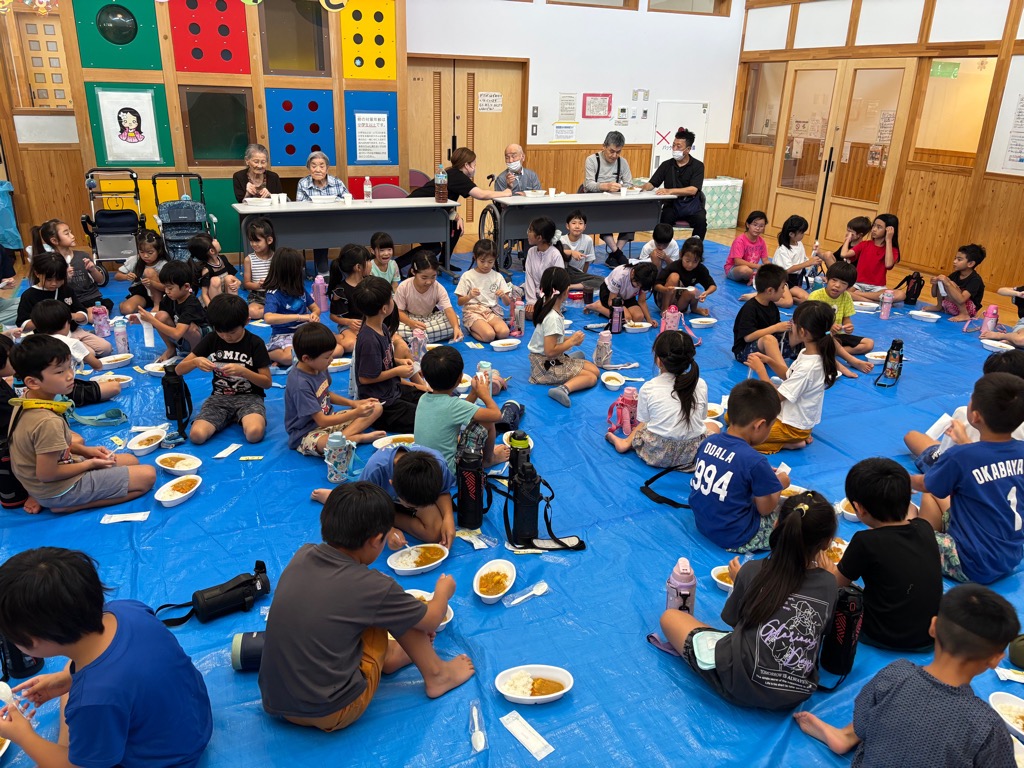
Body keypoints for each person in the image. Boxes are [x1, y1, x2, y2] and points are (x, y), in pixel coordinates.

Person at [259, 484, 472, 731]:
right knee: (395, 606)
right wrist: (442, 592)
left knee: (379, 603)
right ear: (376, 540)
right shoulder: (375, 588)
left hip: (277, 703)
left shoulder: (303, 554)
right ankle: (437, 675)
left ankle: (390, 655)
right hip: (332, 710)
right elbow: (432, 620)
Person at [0, 547, 213, 766]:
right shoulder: (126, 609)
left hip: (169, 759)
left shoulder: (93, 699)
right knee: (70, 679)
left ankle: (71, 751)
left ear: (32, 641)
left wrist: (23, 735)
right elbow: (129, 672)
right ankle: (73, 747)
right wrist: (67, 680)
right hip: (195, 722)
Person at [794, 584, 1020, 767]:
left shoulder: (895, 674)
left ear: (933, 627)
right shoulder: (988, 727)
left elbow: (863, 725)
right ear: (995, 659)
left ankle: (845, 736)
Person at [660, 492, 837, 710]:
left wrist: (739, 581)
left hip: (738, 685)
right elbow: (821, 631)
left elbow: (734, 622)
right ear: (828, 543)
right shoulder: (830, 584)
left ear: (777, 525)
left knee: (670, 618)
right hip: (794, 697)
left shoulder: (752, 572)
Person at [7, 335, 155, 513]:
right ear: (33, 382)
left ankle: (59, 499)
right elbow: (47, 474)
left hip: (43, 481)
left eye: (69, 366)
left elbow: (45, 447)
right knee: (147, 476)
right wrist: (90, 464)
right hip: (56, 489)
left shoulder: (25, 400)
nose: (70, 375)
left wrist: (87, 452)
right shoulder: (47, 421)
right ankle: (67, 506)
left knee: (131, 460)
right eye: (59, 372)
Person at [912, 371, 1024, 584]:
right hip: (1010, 556)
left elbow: (925, 483)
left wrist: (901, 478)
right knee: (933, 497)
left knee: (899, 525)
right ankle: (930, 540)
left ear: (975, 416)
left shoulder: (961, 456)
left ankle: (921, 549)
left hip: (971, 563)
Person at [826, 458, 942, 651]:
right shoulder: (924, 527)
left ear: (860, 509)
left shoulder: (865, 541)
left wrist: (821, 562)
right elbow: (912, 513)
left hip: (882, 635)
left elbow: (834, 585)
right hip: (929, 636)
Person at [688, 379, 788, 552]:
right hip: (735, 535)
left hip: (703, 523)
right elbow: (765, 509)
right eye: (771, 426)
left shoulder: (709, 441)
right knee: (792, 516)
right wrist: (780, 484)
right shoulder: (755, 461)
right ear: (759, 425)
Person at [606, 330, 718, 467]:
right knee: (714, 426)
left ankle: (624, 443)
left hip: (657, 453)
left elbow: (644, 421)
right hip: (692, 455)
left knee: (646, 424)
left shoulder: (649, 388)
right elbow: (701, 416)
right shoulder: (700, 383)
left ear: (658, 360)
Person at [175, 294, 272, 445]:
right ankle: (226, 418)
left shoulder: (255, 343)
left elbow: (267, 382)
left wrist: (244, 372)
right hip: (219, 399)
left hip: (250, 398)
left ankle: (238, 418)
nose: (226, 337)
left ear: (246, 322)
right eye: (220, 332)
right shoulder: (212, 339)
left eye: (232, 332)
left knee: (254, 434)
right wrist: (195, 362)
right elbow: (179, 370)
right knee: (197, 436)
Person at [905, 349, 1024, 472]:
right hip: (997, 475)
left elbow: (945, 462)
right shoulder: (1017, 422)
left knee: (912, 436)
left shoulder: (965, 414)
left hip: (958, 472)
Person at [744, 301, 838, 454]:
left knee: (742, 438)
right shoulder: (808, 353)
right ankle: (793, 439)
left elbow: (774, 398)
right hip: (786, 416)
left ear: (803, 332)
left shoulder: (810, 366)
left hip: (791, 426)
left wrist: (761, 370)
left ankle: (792, 441)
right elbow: (789, 375)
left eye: (793, 323)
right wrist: (769, 361)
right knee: (734, 418)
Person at [285, 322, 384, 455]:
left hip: (330, 421)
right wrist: (356, 413)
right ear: (306, 358)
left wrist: (353, 403)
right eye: (327, 357)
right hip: (306, 433)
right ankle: (355, 438)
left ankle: (341, 439)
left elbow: (326, 393)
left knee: (376, 407)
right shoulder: (300, 384)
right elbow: (321, 420)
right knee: (324, 444)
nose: (331, 359)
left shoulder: (319, 367)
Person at [406, 147, 512, 271]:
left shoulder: (451, 173)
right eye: (474, 164)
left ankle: (444, 262)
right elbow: (481, 194)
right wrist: (506, 192)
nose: (475, 167)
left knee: (455, 227)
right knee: (434, 248)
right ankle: (398, 264)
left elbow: (445, 201)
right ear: (467, 165)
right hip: (416, 212)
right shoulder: (457, 176)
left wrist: (455, 216)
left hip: (426, 211)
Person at [414, 345, 508, 472]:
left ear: (424, 376)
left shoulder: (424, 398)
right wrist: (484, 394)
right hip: (448, 473)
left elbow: (459, 412)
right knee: (487, 421)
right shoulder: (453, 405)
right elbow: (496, 415)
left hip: (425, 471)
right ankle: (489, 459)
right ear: (460, 378)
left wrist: (475, 392)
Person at [354, 276, 426, 433]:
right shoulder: (369, 339)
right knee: (428, 418)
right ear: (384, 309)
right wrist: (397, 371)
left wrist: (398, 361)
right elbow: (365, 378)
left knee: (433, 400)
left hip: (393, 390)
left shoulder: (382, 328)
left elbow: (381, 360)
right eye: (391, 298)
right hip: (384, 405)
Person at [17, 252, 111, 357]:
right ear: (37, 273)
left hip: (73, 331)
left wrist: (71, 316)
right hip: (50, 337)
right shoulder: (29, 295)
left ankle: (78, 349)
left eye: (59, 279)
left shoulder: (66, 290)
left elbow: (82, 313)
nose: (54, 283)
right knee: (89, 354)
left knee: (106, 348)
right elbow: (23, 325)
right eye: (49, 279)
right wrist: (46, 319)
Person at [528, 266, 598, 408]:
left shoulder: (547, 306)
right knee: (591, 377)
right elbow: (550, 351)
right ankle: (562, 389)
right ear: (566, 291)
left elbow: (550, 339)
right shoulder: (552, 317)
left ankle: (569, 359)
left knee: (595, 370)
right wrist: (572, 341)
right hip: (546, 365)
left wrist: (567, 340)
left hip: (546, 358)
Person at [31, 299, 121, 407]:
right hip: (64, 392)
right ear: (67, 323)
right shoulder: (71, 343)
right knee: (114, 387)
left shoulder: (34, 343)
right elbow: (97, 365)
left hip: (37, 391)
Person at [136, 260, 210, 362]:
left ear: (186, 287)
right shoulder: (169, 299)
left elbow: (177, 334)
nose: (166, 291)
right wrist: (141, 320)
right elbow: (159, 323)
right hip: (183, 339)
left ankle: (195, 354)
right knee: (160, 316)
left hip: (202, 341)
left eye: (170, 288)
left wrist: (152, 320)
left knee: (189, 328)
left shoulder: (191, 303)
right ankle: (171, 349)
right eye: (165, 287)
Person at [642, 126, 707, 241]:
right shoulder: (666, 165)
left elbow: (693, 190)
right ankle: (663, 247)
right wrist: (637, 188)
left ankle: (694, 249)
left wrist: (669, 190)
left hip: (692, 206)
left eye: (678, 146)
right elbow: (652, 184)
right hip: (672, 205)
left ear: (688, 149)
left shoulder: (698, 166)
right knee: (665, 220)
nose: (674, 148)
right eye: (673, 145)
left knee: (701, 220)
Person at [31, 218, 111, 311]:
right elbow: (49, 288)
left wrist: (93, 270)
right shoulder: (52, 262)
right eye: (66, 233)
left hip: (91, 297)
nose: (72, 236)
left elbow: (100, 280)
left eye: (71, 232)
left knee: (105, 307)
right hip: (68, 301)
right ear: (54, 240)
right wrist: (66, 278)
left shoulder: (82, 256)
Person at [263, 247, 322, 367]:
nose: (302, 270)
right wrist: (300, 317)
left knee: (336, 349)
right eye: (300, 268)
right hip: (283, 335)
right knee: (289, 357)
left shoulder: (300, 290)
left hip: (304, 333)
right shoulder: (274, 293)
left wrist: (314, 315)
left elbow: (315, 308)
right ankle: (264, 353)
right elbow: (268, 317)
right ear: (290, 272)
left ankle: (286, 360)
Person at [583, 131, 634, 267]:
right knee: (604, 217)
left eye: (618, 152)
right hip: (595, 202)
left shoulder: (622, 162)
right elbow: (588, 185)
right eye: (611, 151)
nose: (614, 155)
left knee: (633, 216)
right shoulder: (592, 160)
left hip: (615, 200)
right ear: (604, 146)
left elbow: (629, 184)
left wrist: (620, 187)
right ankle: (618, 255)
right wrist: (606, 186)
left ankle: (614, 254)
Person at [731, 263, 790, 377]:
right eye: (782, 288)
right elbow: (748, 337)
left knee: (797, 331)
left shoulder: (772, 306)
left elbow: (778, 331)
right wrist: (776, 327)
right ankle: (786, 374)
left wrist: (788, 327)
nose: (783, 292)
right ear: (770, 290)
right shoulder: (750, 308)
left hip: (763, 346)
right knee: (769, 339)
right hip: (744, 352)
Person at [806, 260, 875, 357]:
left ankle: (832, 351)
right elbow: (810, 321)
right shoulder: (816, 295)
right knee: (818, 342)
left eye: (843, 283)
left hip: (837, 336)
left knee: (869, 344)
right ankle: (834, 350)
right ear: (827, 279)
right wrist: (829, 326)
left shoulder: (846, 296)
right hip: (819, 335)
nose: (837, 285)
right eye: (834, 280)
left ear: (848, 287)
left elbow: (846, 319)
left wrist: (848, 326)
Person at [296, 150, 348, 276]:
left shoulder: (337, 182)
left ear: (327, 168)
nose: (317, 169)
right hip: (313, 222)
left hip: (336, 220)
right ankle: (323, 270)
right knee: (320, 229)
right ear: (309, 168)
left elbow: (348, 200)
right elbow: (300, 205)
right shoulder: (303, 183)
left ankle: (347, 266)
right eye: (313, 166)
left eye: (321, 166)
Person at [395, 252, 463, 344]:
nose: (429, 282)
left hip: (430, 318)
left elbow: (449, 309)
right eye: (424, 277)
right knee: (394, 327)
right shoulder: (404, 287)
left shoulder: (438, 288)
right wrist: (410, 323)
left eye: (433, 277)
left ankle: (417, 337)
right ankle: (424, 336)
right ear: (413, 272)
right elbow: (398, 312)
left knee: (456, 321)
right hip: (409, 318)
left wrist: (455, 328)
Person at [455, 239, 512, 342]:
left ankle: (484, 327)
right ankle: (471, 329)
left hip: (491, 311)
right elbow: (459, 302)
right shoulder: (467, 276)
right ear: (475, 257)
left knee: (504, 332)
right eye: (482, 261)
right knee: (489, 335)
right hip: (472, 312)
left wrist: (503, 296)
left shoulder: (497, 276)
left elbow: (508, 303)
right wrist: (469, 296)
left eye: (490, 262)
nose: (486, 265)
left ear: (495, 260)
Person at [919, 243, 986, 322]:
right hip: (951, 306)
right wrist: (935, 283)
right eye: (955, 258)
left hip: (968, 310)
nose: (954, 261)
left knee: (950, 283)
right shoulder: (955, 274)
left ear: (970, 264)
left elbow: (961, 299)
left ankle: (964, 314)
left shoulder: (975, 280)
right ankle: (939, 306)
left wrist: (947, 283)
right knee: (945, 281)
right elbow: (934, 294)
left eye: (959, 259)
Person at [844, 213, 901, 302]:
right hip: (858, 285)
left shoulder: (892, 249)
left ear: (888, 230)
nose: (874, 229)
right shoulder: (864, 244)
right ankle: (872, 301)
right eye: (874, 226)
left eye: (879, 227)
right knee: (844, 293)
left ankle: (860, 296)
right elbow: (845, 254)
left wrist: (889, 240)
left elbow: (888, 265)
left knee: (901, 295)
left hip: (877, 288)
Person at [654, 237, 716, 315]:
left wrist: (706, 293)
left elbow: (712, 286)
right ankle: (665, 309)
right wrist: (665, 289)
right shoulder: (674, 266)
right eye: (687, 261)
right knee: (674, 276)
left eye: (695, 261)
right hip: (664, 299)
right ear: (681, 255)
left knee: (694, 291)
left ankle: (694, 309)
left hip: (681, 303)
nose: (690, 265)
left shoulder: (700, 269)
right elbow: (656, 285)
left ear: (700, 259)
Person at [115, 228, 169, 315]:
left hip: (161, 293)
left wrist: (152, 283)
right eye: (142, 252)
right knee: (126, 309)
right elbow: (117, 276)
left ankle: (157, 304)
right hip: (142, 293)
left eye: (150, 253)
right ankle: (126, 303)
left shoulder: (163, 264)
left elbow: (167, 287)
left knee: (149, 272)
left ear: (158, 251)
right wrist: (126, 276)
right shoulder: (135, 260)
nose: (145, 256)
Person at [586, 262, 657, 325]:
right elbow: (611, 301)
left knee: (639, 317)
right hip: (610, 295)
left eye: (641, 286)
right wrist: (623, 310)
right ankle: (598, 306)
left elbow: (642, 301)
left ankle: (624, 310)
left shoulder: (646, 280)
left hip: (627, 296)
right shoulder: (621, 275)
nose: (639, 287)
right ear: (633, 273)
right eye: (637, 284)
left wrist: (649, 320)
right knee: (626, 318)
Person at [770, 214, 819, 303]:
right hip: (781, 280)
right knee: (788, 303)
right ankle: (764, 298)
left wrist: (814, 258)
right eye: (801, 232)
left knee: (808, 299)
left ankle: (789, 297)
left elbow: (804, 260)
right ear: (791, 234)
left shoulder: (799, 243)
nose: (803, 235)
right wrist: (808, 263)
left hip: (794, 280)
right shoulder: (783, 250)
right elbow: (788, 270)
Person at [522, 216, 564, 317]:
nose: (527, 233)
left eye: (530, 230)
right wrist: (531, 301)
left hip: (551, 297)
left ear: (539, 238)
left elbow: (559, 283)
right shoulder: (531, 252)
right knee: (528, 314)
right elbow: (529, 277)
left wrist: (547, 301)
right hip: (536, 294)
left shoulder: (555, 255)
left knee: (545, 313)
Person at [558, 209, 604, 292]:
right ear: (567, 226)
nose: (577, 226)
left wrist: (583, 275)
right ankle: (573, 285)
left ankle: (571, 287)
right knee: (565, 247)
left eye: (580, 223)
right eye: (574, 223)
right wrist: (572, 252)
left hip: (577, 274)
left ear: (584, 227)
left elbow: (587, 261)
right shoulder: (561, 240)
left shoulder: (588, 240)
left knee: (603, 281)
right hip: (563, 271)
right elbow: (555, 253)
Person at [188, 232, 239, 306]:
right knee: (215, 280)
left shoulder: (223, 259)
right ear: (212, 251)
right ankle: (219, 311)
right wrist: (212, 311)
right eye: (212, 240)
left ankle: (234, 308)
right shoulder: (207, 270)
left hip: (226, 296)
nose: (215, 240)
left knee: (229, 278)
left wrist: (237, 282)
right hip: (213, 303)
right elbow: (205, 294)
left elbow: (234, 277)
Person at [243, 217, 275, 321]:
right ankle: (275, 311)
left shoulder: (276, 258)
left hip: (275, 293)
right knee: (251, 312)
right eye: (251, 241)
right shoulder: (249, 259)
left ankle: (273, 310)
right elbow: (247, 284)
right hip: (258, 296)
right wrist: (258, 285)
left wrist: (272, 283)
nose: (253, 244)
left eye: (257, 241)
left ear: (269, 240)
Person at [724, 211, 769, 284]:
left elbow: (765, 260)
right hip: (735, 268)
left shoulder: (762, 242)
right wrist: (757, 266)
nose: (758, 228)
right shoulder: (740, 240)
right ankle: (753, 277)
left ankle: (753, 277)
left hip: (752, 269)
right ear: (748, 225)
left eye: (761, 226)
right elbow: (737, 261)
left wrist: (772, 269)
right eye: (755, 225)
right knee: (746, 270)